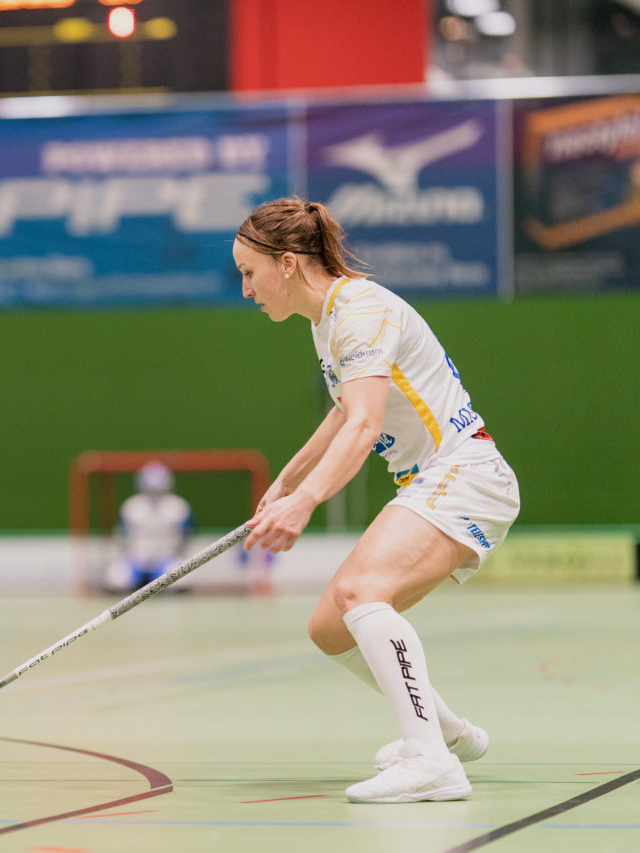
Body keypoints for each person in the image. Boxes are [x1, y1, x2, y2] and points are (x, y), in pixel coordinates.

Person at [232, 198, 519, 804]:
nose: (246, 289)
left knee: (361, 593)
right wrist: (286, 482)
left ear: (288, 264)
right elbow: (344, 411)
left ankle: (431, 761)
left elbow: (364, 425)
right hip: (436, 480)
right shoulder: (327, 320)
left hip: (463, 473)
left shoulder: (362, 312)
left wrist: (306, 502)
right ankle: (449, 734)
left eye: (249, 273)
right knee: (331, 628)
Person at [106, 461, 192, 593]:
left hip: (166, 559)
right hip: (136, 561)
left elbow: (186, 536)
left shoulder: (179, 507)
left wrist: (177, 555)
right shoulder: (131, 506)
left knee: (181, 581)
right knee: (115, 579)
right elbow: (120, 536)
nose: (154, 493)